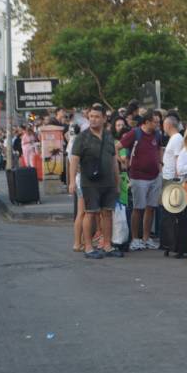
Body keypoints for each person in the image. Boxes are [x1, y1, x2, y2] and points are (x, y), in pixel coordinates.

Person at [69, 104, 123, 259]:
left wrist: (117, 182)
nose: (93, 119)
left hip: (108, 182)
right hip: (89, 182)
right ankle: (88, 247)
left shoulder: (108, 136)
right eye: (91, 116)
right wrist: (72, 182)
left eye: (97, 117)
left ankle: (107, 245)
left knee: (107, 213)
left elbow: (114, 161)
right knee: (90, 214)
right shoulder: (82, 137)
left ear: (104, 119)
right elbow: (74, 160)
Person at [117, 110, 163, 251]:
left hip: (155, 176)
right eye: (155, 121)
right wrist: (122, 162)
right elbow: (118, 147)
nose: (157, 124)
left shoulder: (157, 134)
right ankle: (135, 239)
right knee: (138, 208)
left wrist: (160, 164)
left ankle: (146, 238)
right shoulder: (135, 133)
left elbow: (159, 148)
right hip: (138, 177)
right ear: (147, 122)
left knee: (151, 208)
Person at [162, 112, 184, 184]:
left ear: (168, 125)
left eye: (164, 125)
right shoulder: (174, 137)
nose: (163, 127)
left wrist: (176, 178)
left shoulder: (177, 138)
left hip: (171, 178)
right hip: (167, 176)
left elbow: (178, 158)